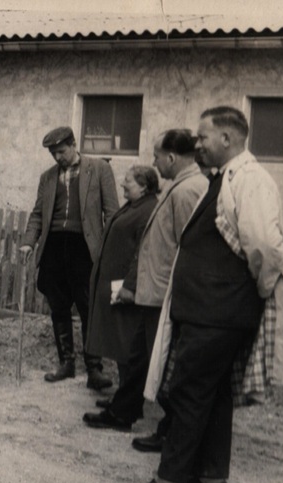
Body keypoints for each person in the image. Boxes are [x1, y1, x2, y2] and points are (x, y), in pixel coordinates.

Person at [134, 107, 283, 483]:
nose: (196, 144)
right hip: (210, 312)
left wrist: (247, 293)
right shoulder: (222, 179)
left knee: (187, 394)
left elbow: (266, 249)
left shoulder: (251, 180)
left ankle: (169, 482)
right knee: (214, 395)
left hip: (218, 314)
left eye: (203, 137)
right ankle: (209, 478)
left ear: (227, 139)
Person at [89, 130, 208, 447]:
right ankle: (122, 412)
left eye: (156, 156)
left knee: (166, 364)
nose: (153, 162)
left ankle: (171, 430)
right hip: (151, 293)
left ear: (171, 157)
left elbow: (191, 247)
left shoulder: (187, 191)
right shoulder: (178, 187)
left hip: (164, 295)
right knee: (140, 357)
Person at [19, 126, 119, 390]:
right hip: (54, 248)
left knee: (89, 309)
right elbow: (38, 213)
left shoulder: (99, 170)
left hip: (84, 248)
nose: (58, 158)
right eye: (53, 154)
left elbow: (112, 213)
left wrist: (111, 251)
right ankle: (66, 363)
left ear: (74, 145)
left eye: (61, 152)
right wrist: (29, 242)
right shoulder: (48, 177)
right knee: (58, 307)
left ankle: (94, 369)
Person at [81, 165, 159, 430]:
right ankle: (123, 400)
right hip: (115, 287)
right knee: (121, 346)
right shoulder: (134, 205)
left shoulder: (148, 210)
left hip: (126, 290)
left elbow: (144, 253)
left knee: (128, 348)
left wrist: (130, 285)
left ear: (145, 186)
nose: (123, 186)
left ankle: (126, 406)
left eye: (128, 182)